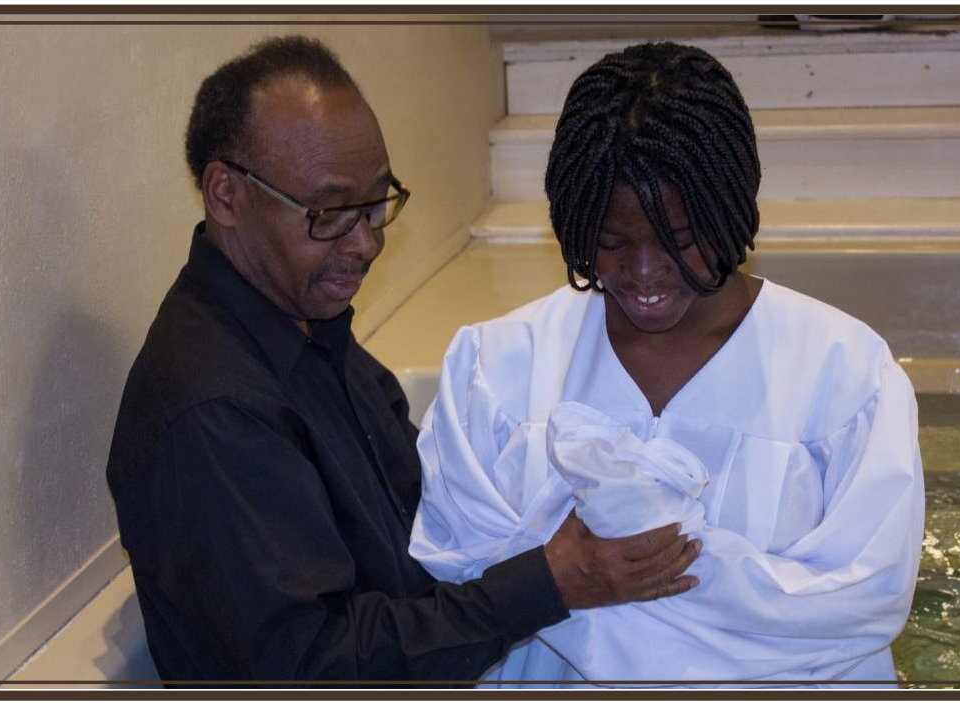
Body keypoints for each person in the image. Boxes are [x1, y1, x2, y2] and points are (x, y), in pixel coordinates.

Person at [104, 35, 701, 686]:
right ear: (225, 195)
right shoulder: (215, 411)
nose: (366, 243)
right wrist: (551, 582)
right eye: (331, 213)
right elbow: (315, 670)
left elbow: (415, 525)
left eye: (375, 204)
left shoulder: (307, 325)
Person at [409, 42, 925, 688]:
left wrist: (558, 585)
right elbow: (456, 578)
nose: (646, 273)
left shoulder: (845, 376)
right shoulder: (497, 369)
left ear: (730, 208)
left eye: (680, 240)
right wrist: (730, 598)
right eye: (611, 241)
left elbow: (860, 605)